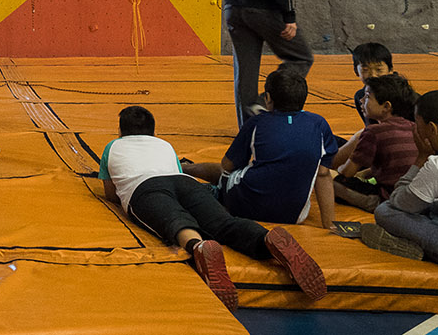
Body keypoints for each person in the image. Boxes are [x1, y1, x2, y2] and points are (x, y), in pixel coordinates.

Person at [99, 106, 327, 311]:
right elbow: (177, 171)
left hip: (144, 187)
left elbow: (111, 194)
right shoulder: (165, 145)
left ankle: (198, 246)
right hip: (185, 182)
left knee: (174, 220)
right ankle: (265, 239)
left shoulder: (112, 147)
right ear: (154, 132)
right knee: (223, 223)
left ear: (120, 131)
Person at [184, 70, 336, 228]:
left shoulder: (257, 122)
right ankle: (190, 173)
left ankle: (185, 171)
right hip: (294, 215)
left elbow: (227, 166)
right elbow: (323, 174)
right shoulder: (319, 124)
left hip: (246, 207)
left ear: (268, 98)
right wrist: (330, 224)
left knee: (225, 173)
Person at [369, 90, 438, 261]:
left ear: (432, 129)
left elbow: (399, 202)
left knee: (385, 211)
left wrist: (421, 158)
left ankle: (420, 249)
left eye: (417, 123)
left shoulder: (435, 165)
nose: (415, 129)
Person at [335, 73, 419, 212]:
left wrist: (337, 171)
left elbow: (347, 172)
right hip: (417, 196)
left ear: (386, 106)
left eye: (367, 97)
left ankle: (378, 203)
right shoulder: (413, 126)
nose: (361, 100)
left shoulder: (374, 131)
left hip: (388, 197)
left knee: (333, 182)